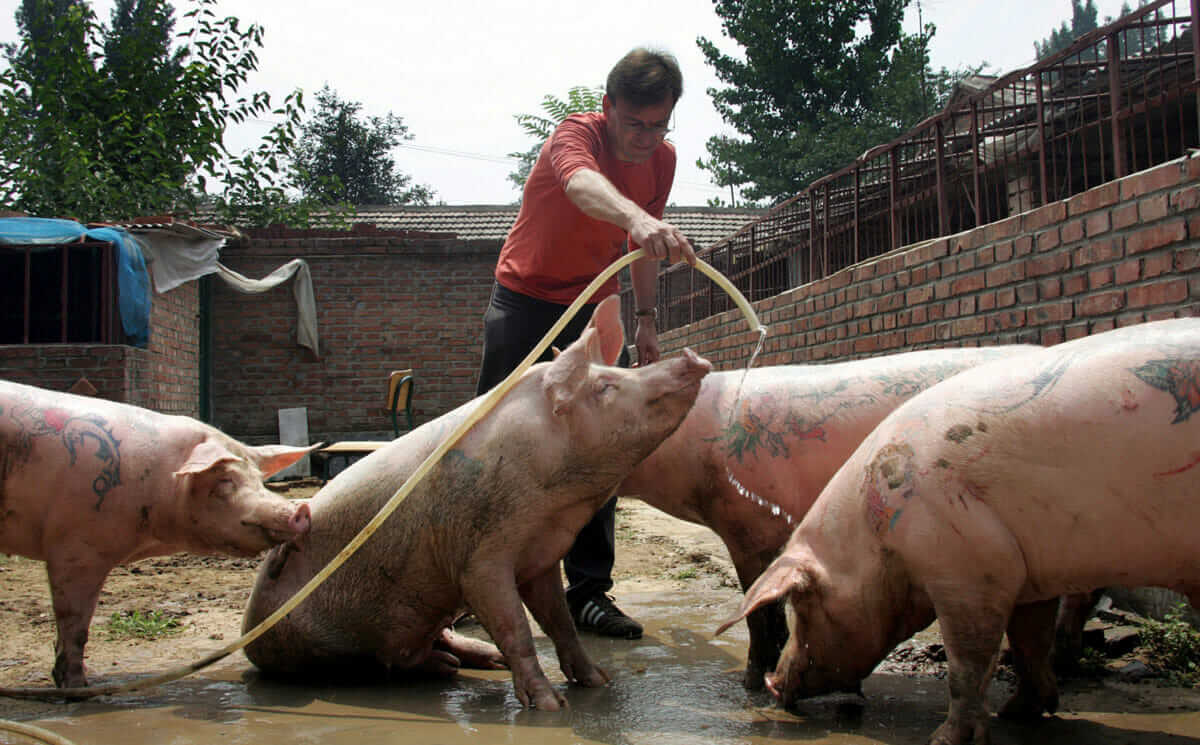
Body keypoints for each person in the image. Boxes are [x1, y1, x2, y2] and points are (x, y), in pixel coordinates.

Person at [475, 47, 697, 640]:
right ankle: (470, 579)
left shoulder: (662, 161)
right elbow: (582, 188)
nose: (646, 139)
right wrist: (637, 219)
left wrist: (646, 317)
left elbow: (642, 246)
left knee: (605, 444)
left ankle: (589, 593)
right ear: (608, 107)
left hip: (593, 307)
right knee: (494, 437)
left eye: (658, 126)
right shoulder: (575, 136)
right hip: (524, 299)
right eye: (634, 124)